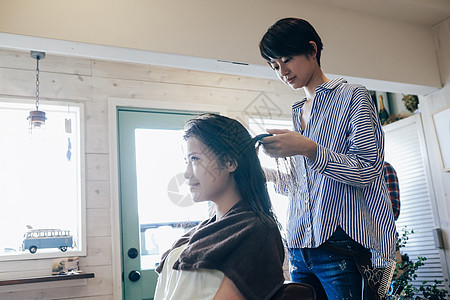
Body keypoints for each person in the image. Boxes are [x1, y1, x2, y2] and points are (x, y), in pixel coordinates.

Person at [258, 18, 397, 299]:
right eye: (274, 66)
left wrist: (309, 149)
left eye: (287, 59)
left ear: (312, 50)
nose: (282, 72)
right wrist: (271, 176)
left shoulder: (352, 95)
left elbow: (368, 170)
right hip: (300, 248)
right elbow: (309, 187)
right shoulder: (298, 111)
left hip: (343, 244)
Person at [154, 114, 285, 300]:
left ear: (230, 162)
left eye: (195, 159)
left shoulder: (255, 230)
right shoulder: (205, 229)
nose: (186, 173)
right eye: (186, 161)